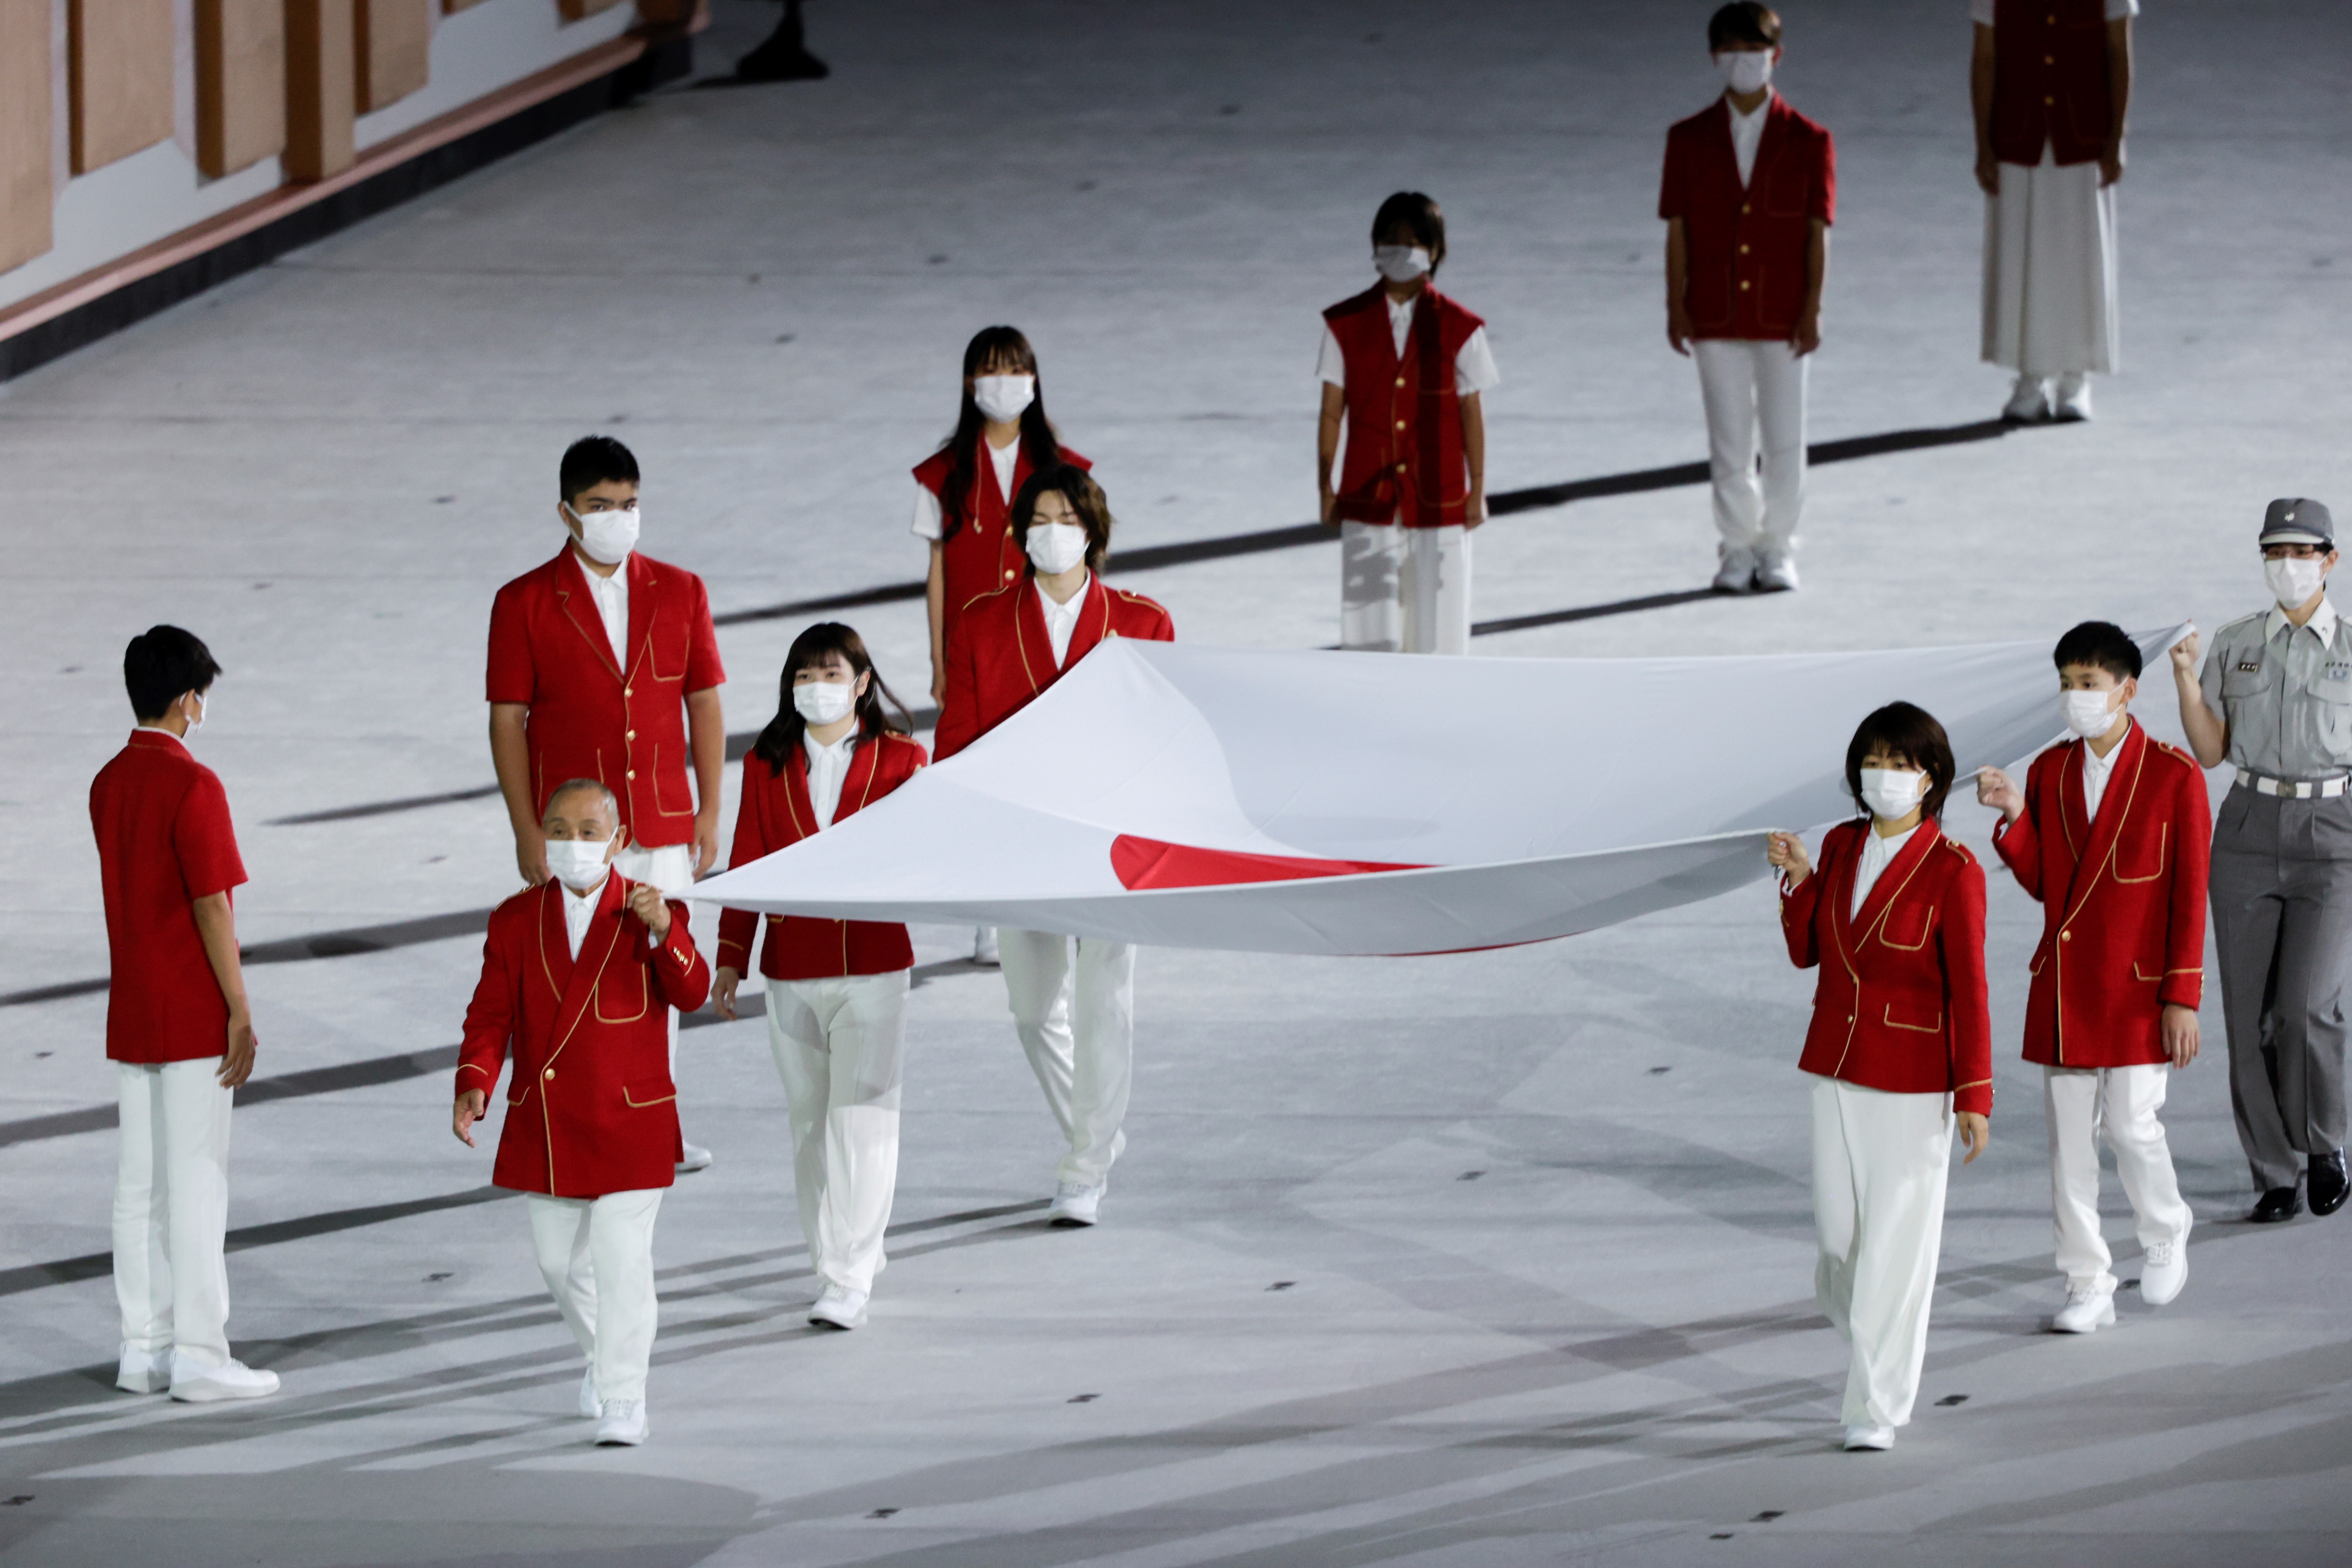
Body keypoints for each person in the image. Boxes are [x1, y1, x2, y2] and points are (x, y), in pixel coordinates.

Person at [935, 466, 1173, 1225]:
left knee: (1106, 1004)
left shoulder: (1143, 622)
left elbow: (1165, 741)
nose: (1051, 531)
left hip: (1113, 843)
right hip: (1022, 842)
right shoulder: (980, 622)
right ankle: (1095, 1132)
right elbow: (958, 746)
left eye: (1066, 516)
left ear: (1092, 531)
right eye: (1037, 518)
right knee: (1034, 1010)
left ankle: (1084, 1166)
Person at [487, 435, 726, 1173]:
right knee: (577, 970)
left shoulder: (680, 590)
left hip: (658, 821)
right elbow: (507, 721)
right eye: (599, 507)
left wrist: (709, 810)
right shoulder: (523, 602)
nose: (617, 518)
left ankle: (657, 1123)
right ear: (566, 512)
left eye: (627, 505)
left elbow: (704, 701)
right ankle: (583, 1118)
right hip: (576, 833)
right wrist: (528, 829)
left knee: (662, 964)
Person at [453, 779, 710, 1446]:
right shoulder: (515, 919)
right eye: (559, 830)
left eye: (589, 832)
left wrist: (664, 931)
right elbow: (490, 1012)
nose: (573, 844)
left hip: (632, 1119)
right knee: (558, 1265)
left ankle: (626, 1395)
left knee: (622, 1260)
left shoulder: (648, 910)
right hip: (551, 1120)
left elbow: (694, 991)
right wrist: (475, 1081)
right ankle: (605, 1357)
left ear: (619, 841)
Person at [1767, 702, 1991, 1452]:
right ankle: (1870, 1334)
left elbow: (1970, 989)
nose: (1884, 777)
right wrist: (1796, 881)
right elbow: (1809, 953)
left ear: (1931, 778)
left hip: (1914, 1078)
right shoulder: (1837, 843)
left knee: (1896, 1249)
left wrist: (1974, 1094)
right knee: (1838, 1246)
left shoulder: (1953, 870)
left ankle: (1875, 1403)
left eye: (1901, 764)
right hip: (1834, 1063)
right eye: (1874, 762)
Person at [1978, 622, 2207, 1332]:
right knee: (2069, 1144)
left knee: (2133, 1124)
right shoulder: (2048, 772)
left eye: (2088, 684)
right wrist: (2016, 817)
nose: (2075, 697)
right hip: (2068, 987)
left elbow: (2188, 894)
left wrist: (2182, 996)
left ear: (2126, 689)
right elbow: (2052, 884)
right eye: (2066, 685)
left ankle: (2166, 1229)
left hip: (2140, 989)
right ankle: (2087, 1283)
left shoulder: (2174, 775)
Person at [711, 625, 928, 1331]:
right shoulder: (765, 763)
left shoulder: (903, 760)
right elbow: (749, 859)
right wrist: (731, 955)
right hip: (792, 969)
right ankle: (836, 1253)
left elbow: (920, 856)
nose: (815, 685)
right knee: (810, 1123)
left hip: (873, 966)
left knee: (861, 1120)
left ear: (862, 681)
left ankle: (847, 1274)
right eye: (803, 674)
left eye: (829, 672)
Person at [89, 627, 279, 1404]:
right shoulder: (195, 786)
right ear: (187, 700)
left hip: (132, 1006)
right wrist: (239, 1007)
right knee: (198, 1180)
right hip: (193, 1009)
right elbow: (212, 906)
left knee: (141, 1184)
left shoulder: (108, 781)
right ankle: (202, 1353)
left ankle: (145, 1346)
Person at [2174, 498, 2352, 1224]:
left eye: (2301, 551)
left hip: (2334, 829)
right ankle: (2272, 1171)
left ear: (2329, 559)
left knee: (2309, 1005)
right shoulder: (2236, 640)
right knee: (2248, 1014)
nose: (2287, 565)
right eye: (2274, 552)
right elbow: (2210, 751)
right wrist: (2186, 678)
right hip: (2247, 825)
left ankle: (2324, 1144)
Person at [912, 326, 1090, 965]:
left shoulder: (1064, 468)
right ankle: (992, 915)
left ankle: (1062, 899)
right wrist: (939, 660)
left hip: (1047, 642)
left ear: (1035, 378)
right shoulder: (943, 474)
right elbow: (936, 571)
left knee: (1056, 774)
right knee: (985, 779)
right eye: (992, 370)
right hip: (979, 653)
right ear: (969, 383)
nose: (1005, 382)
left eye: (1017, 369)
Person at [1661, 2, 1835, 595]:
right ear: (1715, 58)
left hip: (1782, 311)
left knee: (1786, 439)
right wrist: (1675, 305)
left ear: (1775, 56)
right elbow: (1678, 228)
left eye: (1754, 52)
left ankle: (1779, 544)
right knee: (1730, 441)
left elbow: (1817, 231)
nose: (1743, 63)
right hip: (1713, 309)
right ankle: (1737, 547)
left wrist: (1812, 307)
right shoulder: (1687, 140)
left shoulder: (1810, 140)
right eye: (1732, 52)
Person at [1316, 190, 1498, 654]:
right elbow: (1332, 412)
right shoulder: (1345, 324)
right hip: (1366, 495)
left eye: (1414, 240)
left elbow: (1470, 413)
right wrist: (1326, 487)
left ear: (1436, 252)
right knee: (1367, 630)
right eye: (1391, 240)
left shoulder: (1461, 328)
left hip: (1439, 496)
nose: (1402, 249)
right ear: (1375, 247)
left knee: (1441, 629)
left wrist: (1476, 490)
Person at [1972, 0, 2135, 423]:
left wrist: (2116, 137)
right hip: (2017, 132)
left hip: (2082, 133)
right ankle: (2029, 378)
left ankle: (2074, 378)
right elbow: (1985, 55)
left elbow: (2118, 51)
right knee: (2020, 255)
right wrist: (1984, 145)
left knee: (2080, 257)